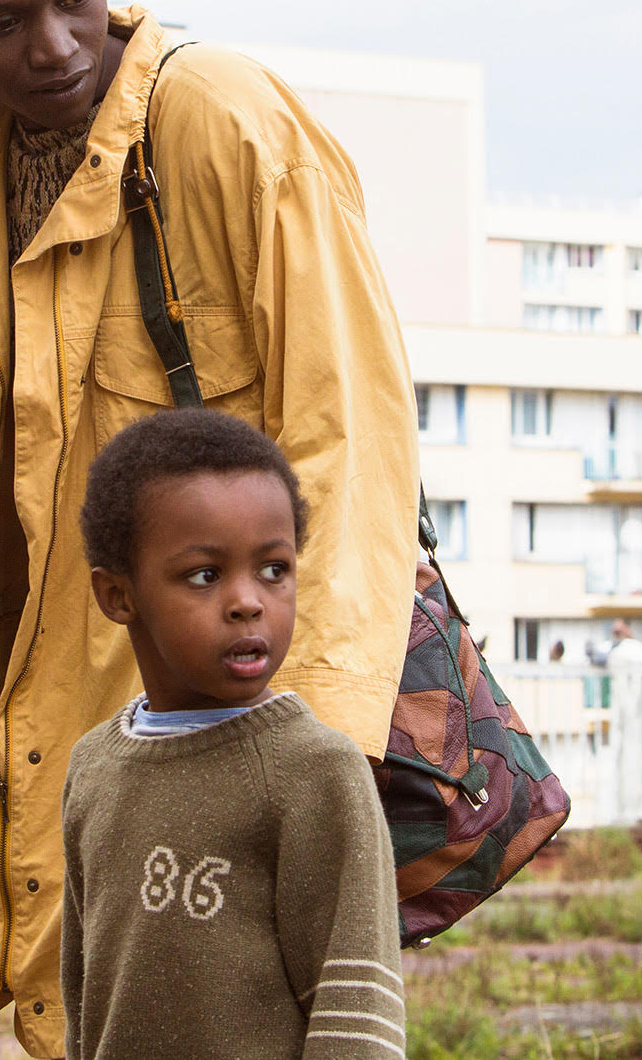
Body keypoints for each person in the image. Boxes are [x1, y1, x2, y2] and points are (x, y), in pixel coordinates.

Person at [0, 0, 419, 1057]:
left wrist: (308, 752)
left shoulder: (219, 117)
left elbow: (347, 431)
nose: (51, 45)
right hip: (76, 757)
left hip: (230, 730)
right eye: (2, 23)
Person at [63, 408, 403, 1059]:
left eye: (274, 569)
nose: (249, 600)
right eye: (204, 574)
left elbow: (357, 1010)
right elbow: (84, 997)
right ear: (117, 596)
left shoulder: (316, 771)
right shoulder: (94, 765)